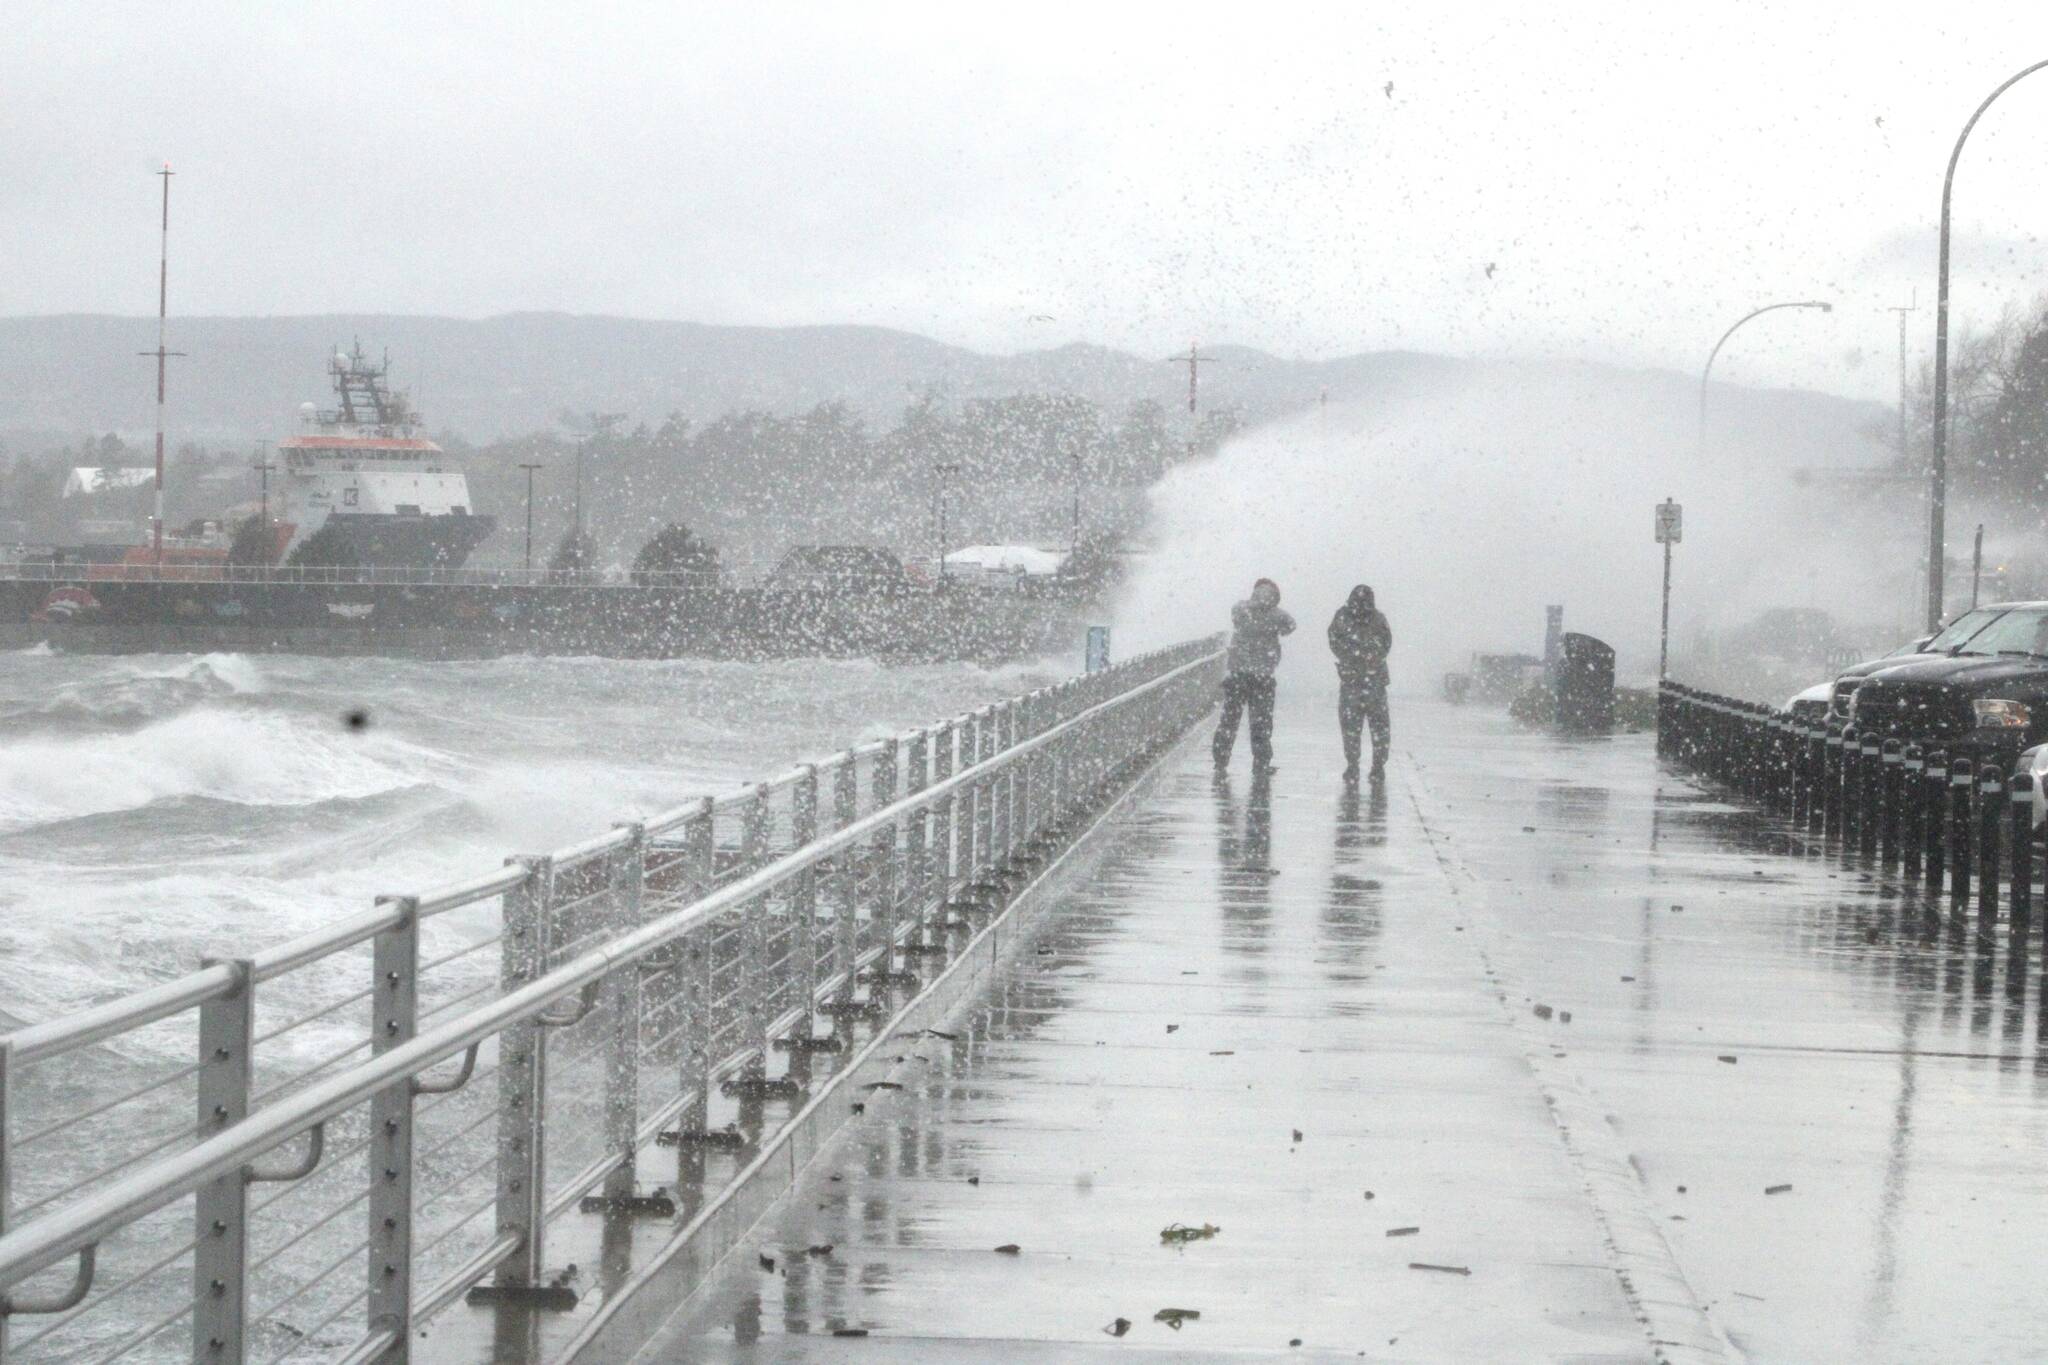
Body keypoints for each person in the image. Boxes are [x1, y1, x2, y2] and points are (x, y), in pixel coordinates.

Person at [1213, 577, 1295, 774]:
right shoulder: (1275, 615)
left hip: (1239, 674)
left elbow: (1237, 615)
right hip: (1262, 676)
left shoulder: (1242, 609)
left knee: (1230, 720)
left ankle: (1221, 761)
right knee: (1261, 722)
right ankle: (1261, 763)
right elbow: (1290, 626)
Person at [1327, 584, 1392, 784]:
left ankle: (1360, 765)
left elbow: (1333, 639)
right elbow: (1386, 642)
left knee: (1353, 726)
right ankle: (1372, 766)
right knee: (1375, 726)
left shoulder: (1344, 616)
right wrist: (1369, 657)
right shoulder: (1377, 618)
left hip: (1357, 680)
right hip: (1367, 679)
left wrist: (1351, 657)